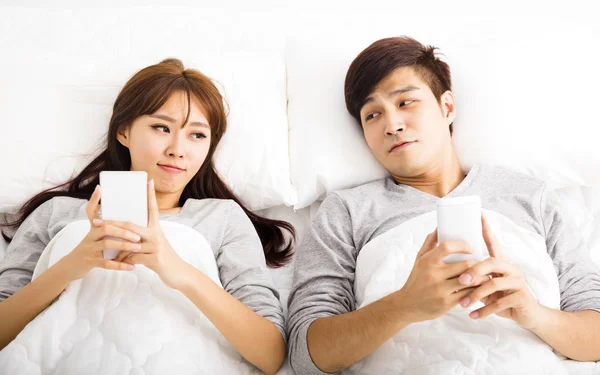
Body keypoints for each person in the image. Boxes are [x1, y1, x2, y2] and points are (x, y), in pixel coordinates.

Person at [286, 36, 600, 374]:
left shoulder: (530, 197)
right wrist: (405, 305)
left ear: (446, 107)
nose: (392, 125)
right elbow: (305, 354)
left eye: (405, 102)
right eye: (372, 114)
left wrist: (533, 313)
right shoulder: (347, 211)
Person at [0, 58, 294, 375]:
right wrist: (73, 265)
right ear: (123, 131)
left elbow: (271, 353)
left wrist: (175, 267)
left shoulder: (222, 218)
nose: (178, 149)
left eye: (197, 135)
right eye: (161, 128)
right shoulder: (55, 213)